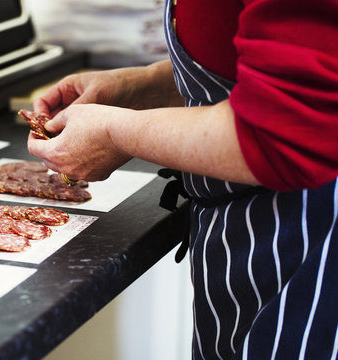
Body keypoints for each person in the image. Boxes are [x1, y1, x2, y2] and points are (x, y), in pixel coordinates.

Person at [27, 0, 338, 359]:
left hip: (309, 239)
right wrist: (145, 85)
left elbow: (285, 130)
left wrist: (115, 133)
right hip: (247, 233)